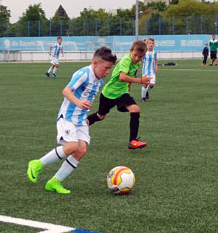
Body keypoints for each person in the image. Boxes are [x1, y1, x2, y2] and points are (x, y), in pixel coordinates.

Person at [27, 47, 117, 194]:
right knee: (72, 146)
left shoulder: (99, 82)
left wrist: (86, 116)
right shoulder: (83, 74)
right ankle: (37, 163)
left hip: (81, 120)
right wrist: (78, 102)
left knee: (81, 150)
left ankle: (55, 182)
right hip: (67, 117)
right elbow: (66, 91)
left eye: (109, 69)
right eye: (105, 68)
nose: (107, 71)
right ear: (95, 63)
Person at [86, 40, 151, 149]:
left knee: (135, 109)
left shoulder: (138, 62)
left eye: (140, 57)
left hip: (122, 93)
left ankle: (133, 141)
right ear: (131, 51)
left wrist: (128, 87)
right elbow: (122, 77)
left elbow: (129, 76)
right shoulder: (126, 60)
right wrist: (140, 80)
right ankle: (82, 124)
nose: (136, 58)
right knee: (100, 116)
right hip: (109, 94)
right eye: (135, 55)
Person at [141, 38, 158, 102]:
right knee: (145, 84)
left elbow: (156, 59)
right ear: (147, 44)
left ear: (154, 44)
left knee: (152, 84)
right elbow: (140, 59)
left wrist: (156, 66)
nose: (151, 44)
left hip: (152, 71)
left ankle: (146, 91)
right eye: (149, 43)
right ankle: (143, 98)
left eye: (152, 43)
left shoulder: (155, 52)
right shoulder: (144, 52)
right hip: (145, 71)